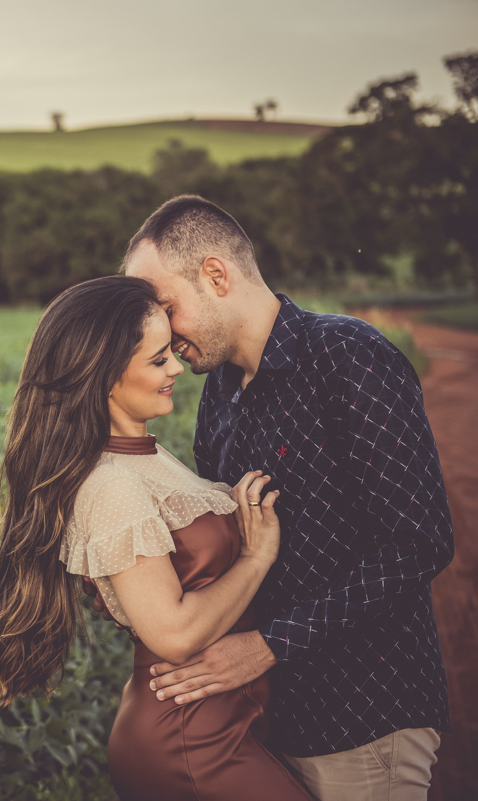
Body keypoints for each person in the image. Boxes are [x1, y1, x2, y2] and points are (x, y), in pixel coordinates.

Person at [116, 195, 453, 801]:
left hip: (364, 717)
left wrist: (268, 647)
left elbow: (418, 541)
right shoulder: (218, 391)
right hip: (266, 721)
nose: (162, 332)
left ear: (216, 276)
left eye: (165, 307)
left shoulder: (348, 356)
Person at [0, 275, 314, 800]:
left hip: (219, 723)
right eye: (159, 361)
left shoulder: (142, 454)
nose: (177, 368)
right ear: (105, 376)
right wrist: (255, 556)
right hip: (189, 742)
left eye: (172, 352)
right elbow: (173, 634)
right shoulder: (112, 485)